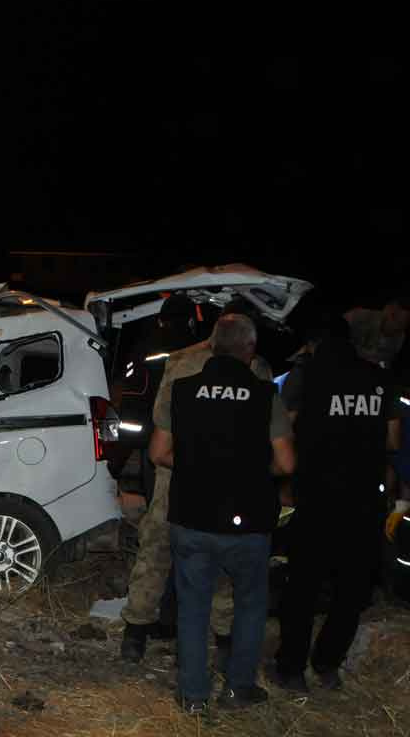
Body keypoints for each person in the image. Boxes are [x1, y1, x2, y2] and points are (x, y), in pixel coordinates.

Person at [151, 314, 296, 712]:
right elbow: (286, 463)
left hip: (192, 516)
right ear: (249, 350)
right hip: (249, 522)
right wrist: (250, 469)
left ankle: (193, 697)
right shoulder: (266, 394)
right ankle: (238, 689)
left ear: (211, 347)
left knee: (193, 607)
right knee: (250, 606)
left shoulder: (182, 389)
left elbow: (159, 453)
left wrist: (201, 465)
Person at [120, 300, 273, 664]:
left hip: (174, 471)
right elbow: (264, 432)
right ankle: (223, 638)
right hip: (224, 480)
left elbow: (160, 432)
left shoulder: (180, 362)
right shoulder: (256, 367)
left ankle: (135, 633)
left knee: (156, 550)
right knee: (223, 558)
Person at [271, 316, 401, 692]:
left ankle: (291, 668)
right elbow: (393, 441)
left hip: (316, 496)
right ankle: (328, 664)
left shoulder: (305, 377)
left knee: (303, 586)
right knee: (352, 588)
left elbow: (286, 427)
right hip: (363, 499)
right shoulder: (379, 379)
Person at [117, 295, 199, 503]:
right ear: (190, 320)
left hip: (153, 435)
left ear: (161, 319)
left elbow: (132, 393)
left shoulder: (144, 347)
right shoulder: (199, 348)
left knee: (156, 498)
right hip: (190, 436)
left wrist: (129, 442)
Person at [345, 297, 408, 369]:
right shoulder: (361, 316)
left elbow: (386, 363)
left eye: (401, 324)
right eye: (394, 316)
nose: (396, 327)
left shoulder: (400, 340)